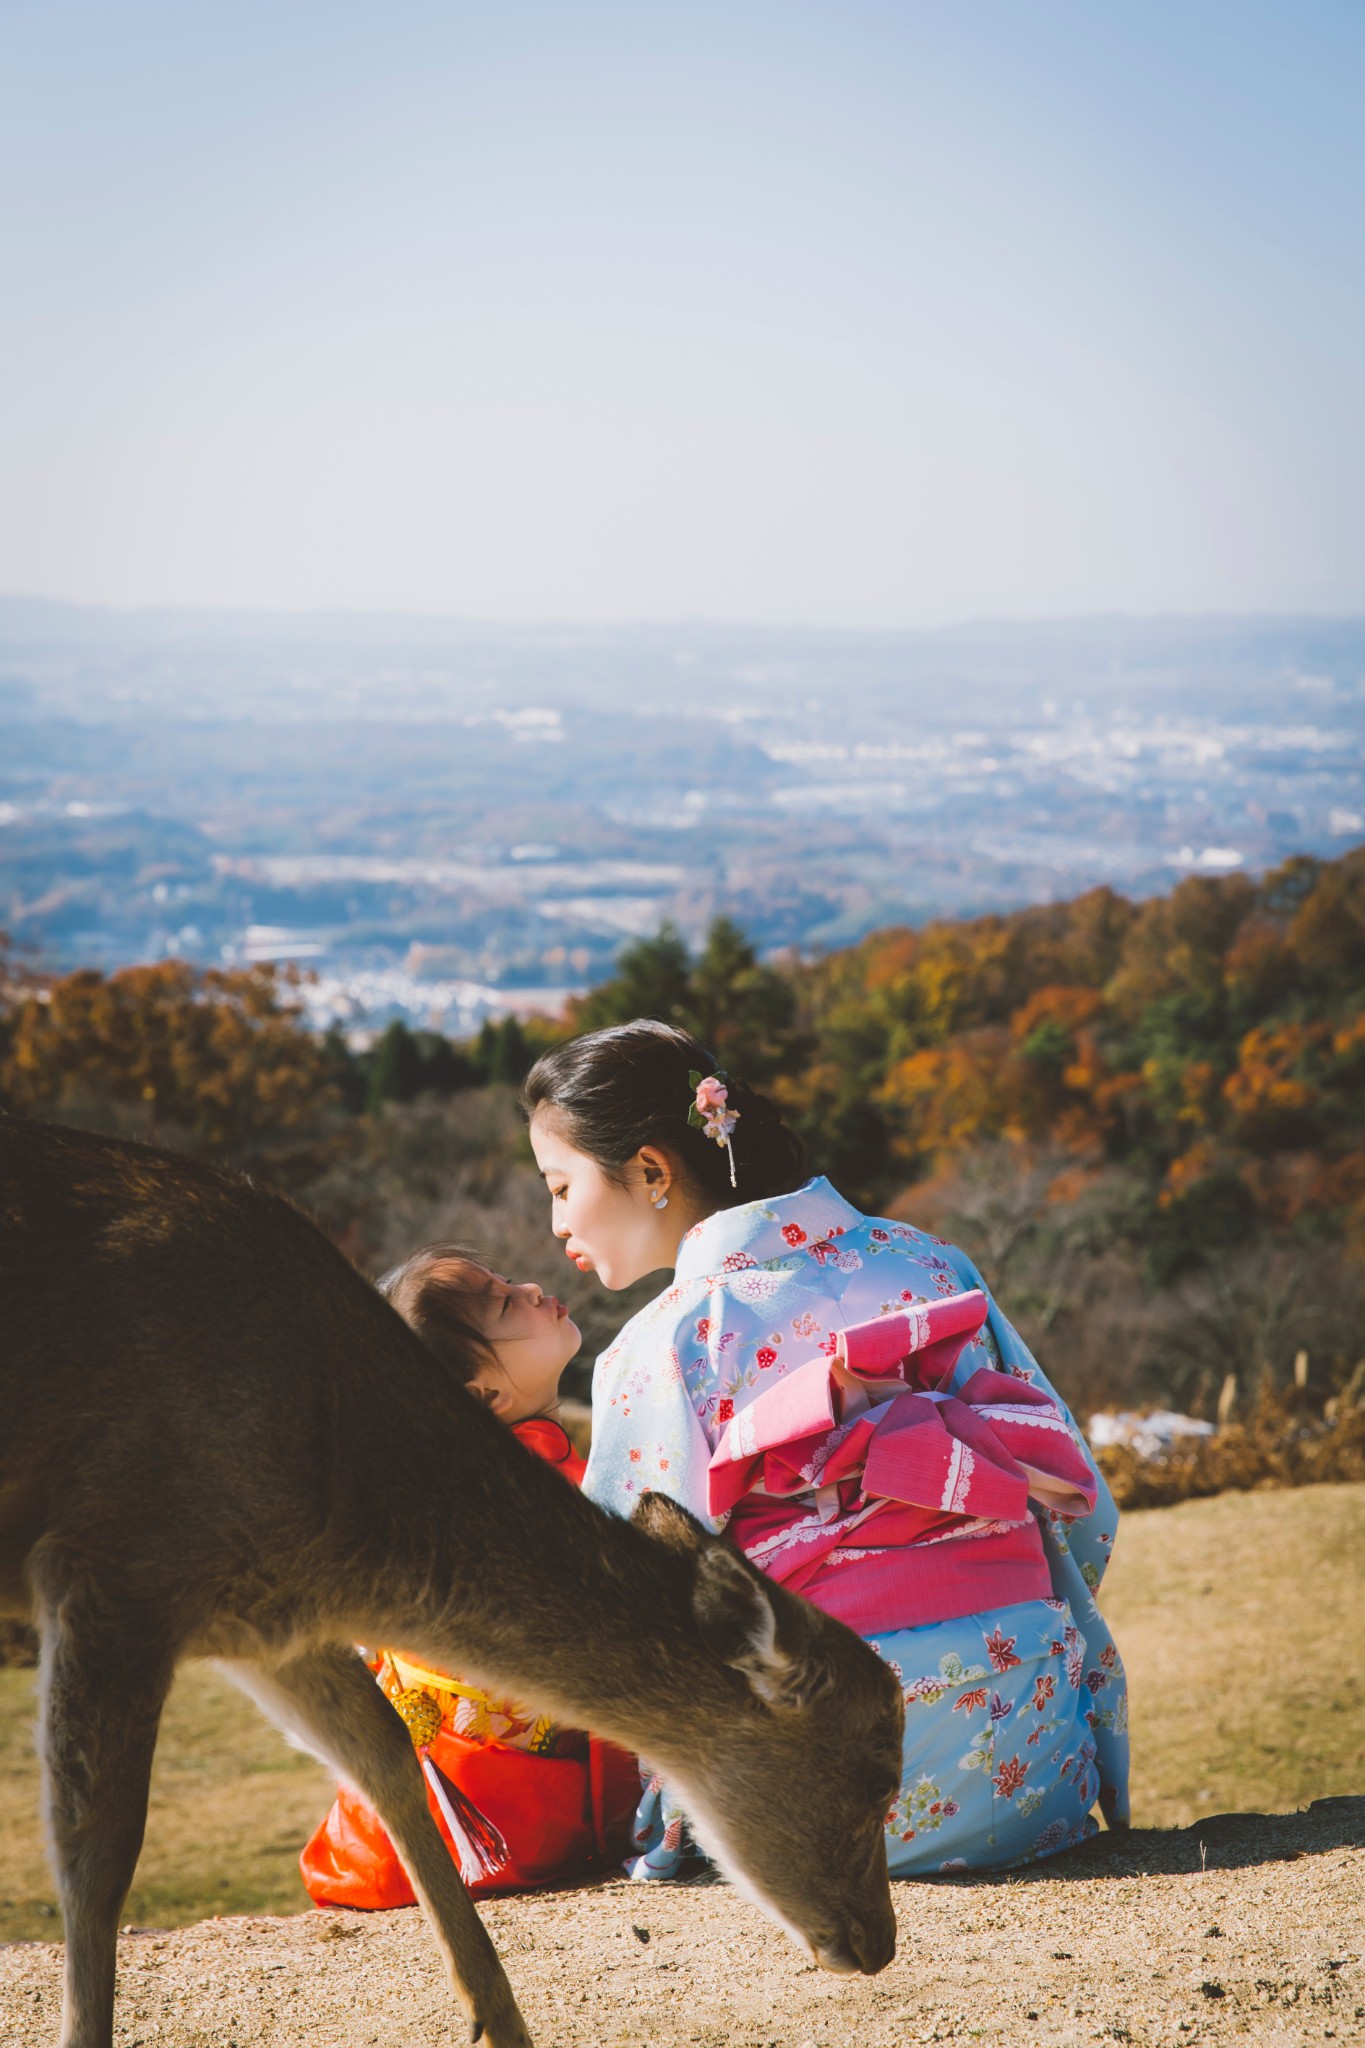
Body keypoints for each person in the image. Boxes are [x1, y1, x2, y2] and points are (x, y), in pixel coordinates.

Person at [523, 1020, 1130, 1880]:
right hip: (1033, 1747)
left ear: (653, 1171)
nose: (554, 1223)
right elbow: (1081, 1516)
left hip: (835, 1789)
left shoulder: (670, 1343)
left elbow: (628, 1607)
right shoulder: (930, 1264)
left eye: (559, 1186)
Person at [299, 1244, 638, 1909]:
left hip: (451, 1792)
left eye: (511, 1282)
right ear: (481, 1394)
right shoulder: (505, 1490)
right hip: (498, 1809)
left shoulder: (457, 1485)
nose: (535, 1287)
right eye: (506, 1301)